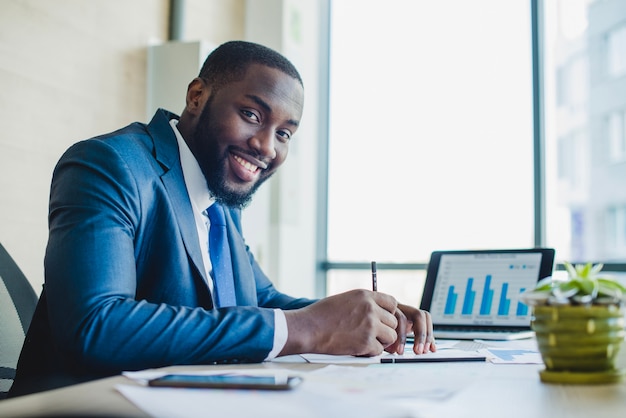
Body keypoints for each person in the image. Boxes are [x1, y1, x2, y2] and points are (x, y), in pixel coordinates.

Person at [9, 40, 435, 397]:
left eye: (284, 133)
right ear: (197, 96)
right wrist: (308, 327)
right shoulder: (110, 165)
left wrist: (361, 316)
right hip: (87, 404)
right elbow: (96, 325)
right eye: (252, 115)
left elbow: (262, 301)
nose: (267, 146)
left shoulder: (219, 199)